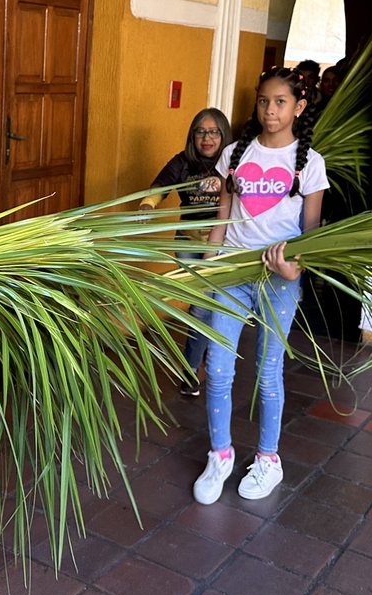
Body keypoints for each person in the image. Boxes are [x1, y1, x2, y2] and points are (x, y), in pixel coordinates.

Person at [193, 67, 328, 504]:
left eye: (281, 102)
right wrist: (208, 266)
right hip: (233, 273)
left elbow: (312, 233)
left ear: (299, 107)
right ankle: (221, 454)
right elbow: (222, 217)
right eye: (264, 101)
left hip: (278, 281)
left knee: (267, 372)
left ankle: (268, 459)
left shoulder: (308, 163)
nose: (271, 110)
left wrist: (295, 271)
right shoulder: (235, 153)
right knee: (217, 368)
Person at [138, 108, 231, 396]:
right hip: (189, 242)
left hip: (224, 242)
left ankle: (209, 364)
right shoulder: (183, 162)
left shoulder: (233, 160)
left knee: (218, 307)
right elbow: (160, 187)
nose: (207, 137)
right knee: (201, 306)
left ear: (223, 134)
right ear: (193, 135)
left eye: (213, 131)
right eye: (201, 131)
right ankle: (191, 369)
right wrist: (147, 205)